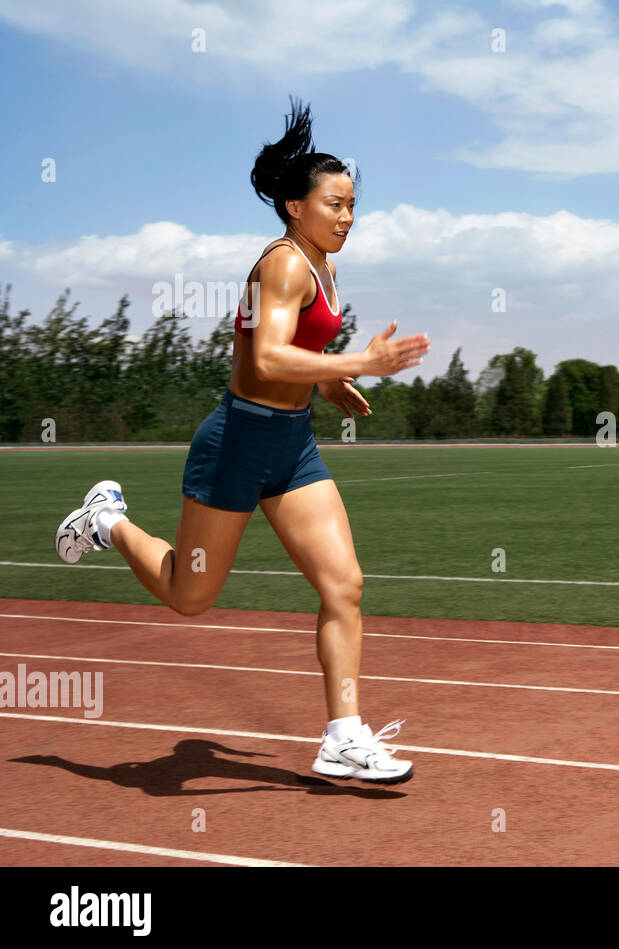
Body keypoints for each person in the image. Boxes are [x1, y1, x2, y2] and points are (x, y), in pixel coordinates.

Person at [54, 97, 430, 784]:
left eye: (353, 205)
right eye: (334, 204)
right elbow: (263, 362)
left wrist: (328, 387)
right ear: (294, 205)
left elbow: (294, 357)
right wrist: (358, 364)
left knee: (344, 584)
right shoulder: (283, 266)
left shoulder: (326, 266)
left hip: (292, 445)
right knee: (191, 597)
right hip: (236, 442)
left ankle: (343, 736)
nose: (346, 217)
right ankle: (107, 521)